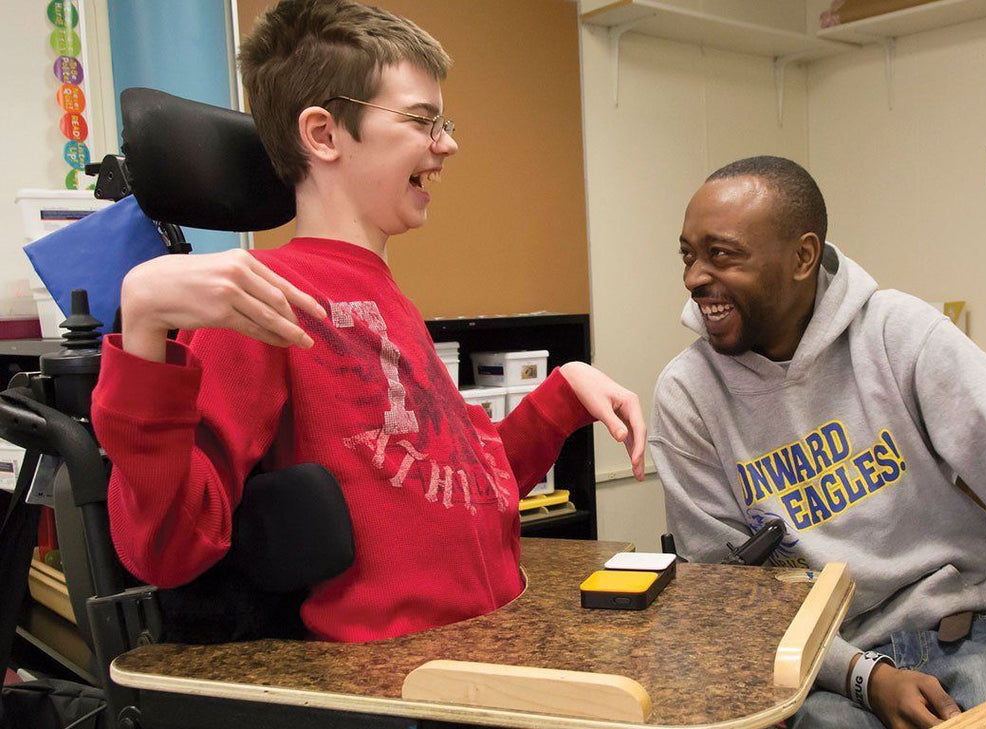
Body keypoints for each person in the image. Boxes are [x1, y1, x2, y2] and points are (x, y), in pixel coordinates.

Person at [91, 0, 644, 643]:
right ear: (324, 135)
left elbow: (464, 489)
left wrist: (565, 391)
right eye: (421, 121)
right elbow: (164, 548)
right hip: (399, 680)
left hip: (486, 646)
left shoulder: (388, 302)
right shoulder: (258, 300)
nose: (448, 143)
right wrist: (143, 327)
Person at [649, 156, 986, 729]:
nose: (694, 278)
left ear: (802, 257)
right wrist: (865, 676)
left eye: (722, 254)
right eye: (688, 255)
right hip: (829, 661)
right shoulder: (687, 395)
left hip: (969, 624)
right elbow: (725, 596)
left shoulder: (898, 334)